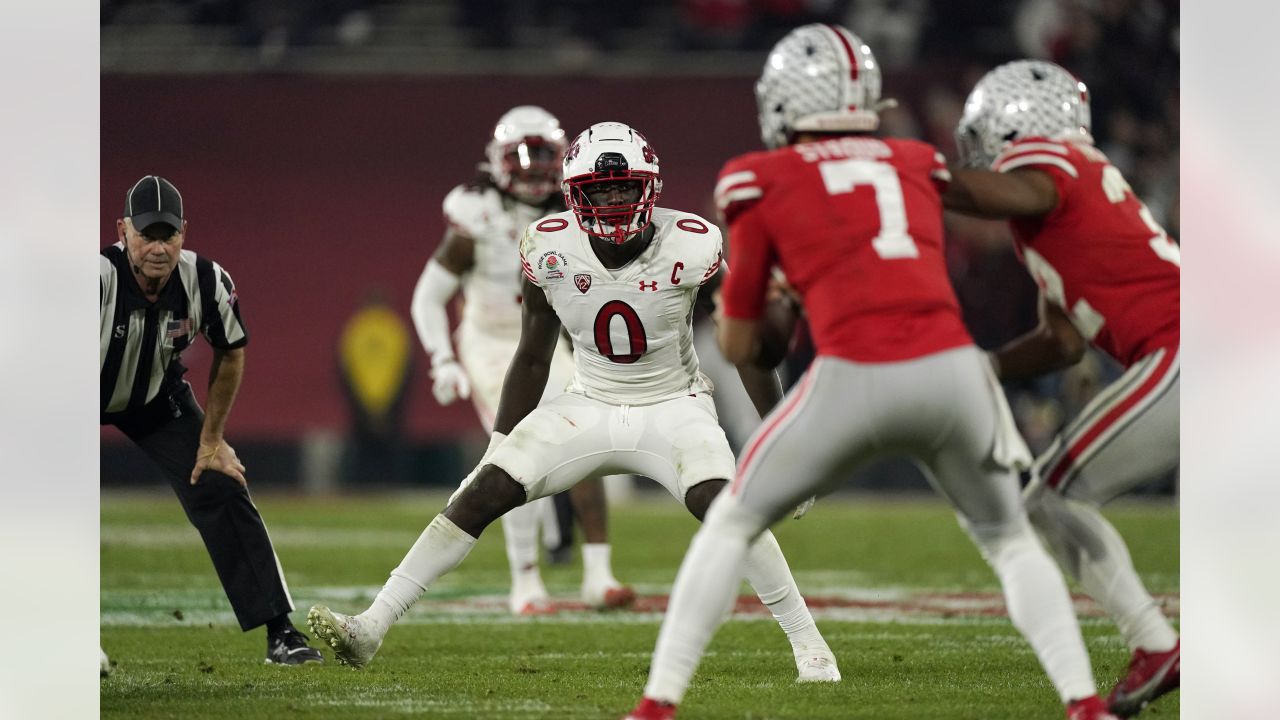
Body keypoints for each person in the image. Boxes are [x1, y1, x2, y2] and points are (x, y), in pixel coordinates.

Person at [625, 25, 1117, 720]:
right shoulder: (915, 159)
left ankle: (657, 705)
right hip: (953, 370)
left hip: (855, 370)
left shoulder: (753, 178)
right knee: (1009, 540)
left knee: (731, 524)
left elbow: (738, 345)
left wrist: (780, 309)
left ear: (783, 102)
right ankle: (1085, 702)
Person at [308, 122, 840, 684]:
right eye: (599, 191)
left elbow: (748, 351)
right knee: (480, 491)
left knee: (724, 503)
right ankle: (371, 625)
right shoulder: (547, 245)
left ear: (650, 189)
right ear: (573, 194)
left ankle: (811, 647)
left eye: (624, 189)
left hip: (674, 404)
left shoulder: (692, 241)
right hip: (588, 402)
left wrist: (783, 440)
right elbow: (533, 356)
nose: (612, 203)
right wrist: (499, 444)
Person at [946, 59, 1180, 718]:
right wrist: (987, 368)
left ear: (1012, 123)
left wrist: (920, 178)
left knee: (1053, 495)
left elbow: (1020, 194)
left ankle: (1155, 644)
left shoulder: (1052, 162)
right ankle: (1157, 646)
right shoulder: (1066, 190)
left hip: (1186, 349)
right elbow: (1062, 341)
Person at [409, 105, 632, 614]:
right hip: (490, 340)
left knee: (588, 438)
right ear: (498, 159)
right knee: (516, 448)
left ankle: (598, 574)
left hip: (549, 339)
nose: (534, 167)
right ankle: (526, 581)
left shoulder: (576, 211)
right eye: (523, 155)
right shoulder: (476, 214)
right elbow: (427, 296)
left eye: (545, 155)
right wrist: (443, 358)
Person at [100, 175, 322, 665]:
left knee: (221, 484)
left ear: (184, 233)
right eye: (147, 234)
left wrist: (211, 438)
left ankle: (281, 633)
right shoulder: (95, 281)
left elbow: (231, 351)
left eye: (168, 234)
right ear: (122, 231)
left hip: (156, 397)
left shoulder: (204, 280)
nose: (158, 247)